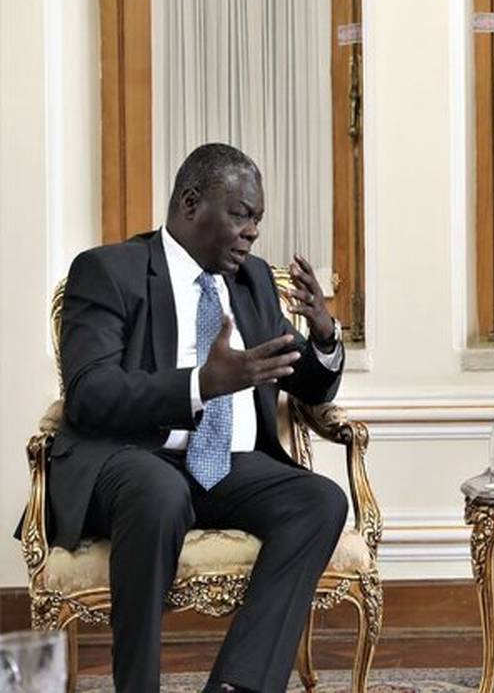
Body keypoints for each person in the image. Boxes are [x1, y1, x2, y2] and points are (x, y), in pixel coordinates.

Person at [44, 143, 348, 692]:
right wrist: (201, 384)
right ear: (190, 204)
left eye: (257, 219)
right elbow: (90, 392)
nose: (253, 232)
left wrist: (324, 335)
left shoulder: (253, 280)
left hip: (227, 465)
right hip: (132, 459)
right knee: (158, 491)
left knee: (319, 499)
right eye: (241, 214)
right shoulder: (109, 271)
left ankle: (238, 685)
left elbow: (303, 380)